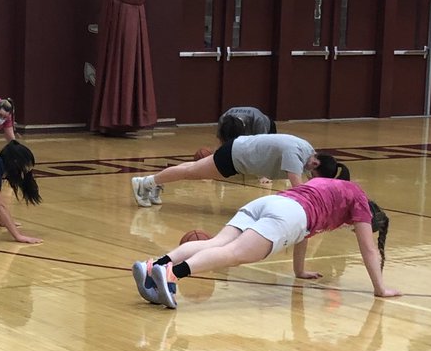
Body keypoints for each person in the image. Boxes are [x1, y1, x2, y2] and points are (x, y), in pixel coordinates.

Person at [132, 174, 401, 310]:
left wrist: (299, 271)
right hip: (290, 215)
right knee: (234, 254)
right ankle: (172, 274)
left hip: (270, 202)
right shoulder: (360, 203)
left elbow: (304, 236)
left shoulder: (333, 187)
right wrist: (380, 288)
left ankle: (154, 265)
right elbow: (368, 249)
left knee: (216, 242)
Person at [130, 133, 338, 207]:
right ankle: (145, 183)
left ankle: (153, 182)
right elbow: (299, 192)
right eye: (314, 176)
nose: (312, 179)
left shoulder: (307, 149)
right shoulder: (296, 154)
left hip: (238, 151)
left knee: (191, 170)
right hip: (235, 157)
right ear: (316, 164)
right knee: (191, 172)